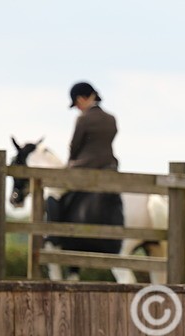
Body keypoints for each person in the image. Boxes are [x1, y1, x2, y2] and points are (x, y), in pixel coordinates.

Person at [46, 82, 123, 278]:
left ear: (81, 99)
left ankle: (53, 235)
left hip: (85, 169)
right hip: (109, 169)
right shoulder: (111, 119)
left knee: (53, 191)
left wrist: (70, 163)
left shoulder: (83, 119)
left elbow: (75, 146)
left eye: (76, 103)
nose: (77, 108)